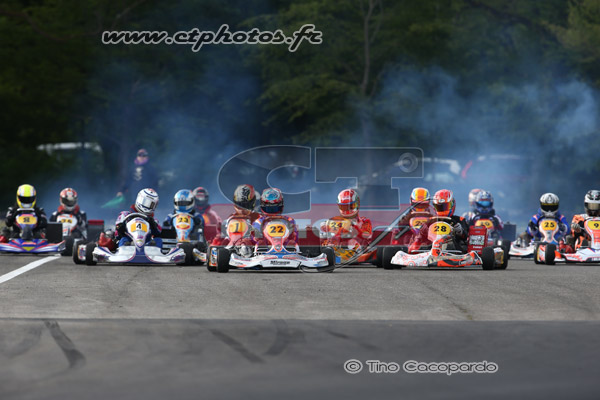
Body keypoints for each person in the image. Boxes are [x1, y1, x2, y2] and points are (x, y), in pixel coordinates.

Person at [407, 189, 469, 254]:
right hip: (431, 249)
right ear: (435, 207)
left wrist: (460, 231)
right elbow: (420, 237)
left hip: (454, 250)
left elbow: (466, 237)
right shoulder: (431, 220)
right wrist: (418, 239)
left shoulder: (459, 220)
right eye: (439, 207)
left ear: (452, 205)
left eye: (445, 206)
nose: (442, 209)